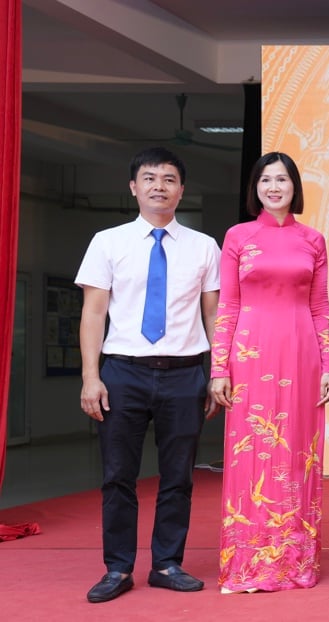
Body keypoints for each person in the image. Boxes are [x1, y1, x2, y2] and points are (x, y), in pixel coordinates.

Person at [76, 147, 221, 603]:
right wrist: (90, 376)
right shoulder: (107, 241)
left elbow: (216, 317)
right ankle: (118, 569)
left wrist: (218, 373)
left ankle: (166, 563)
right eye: (150, 178)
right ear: (133, 187)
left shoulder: (204, 247)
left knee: (178, 476)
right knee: (119, 475)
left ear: (182, 190)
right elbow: (93, 313)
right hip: (123, 374)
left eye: (169, 179)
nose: (159, 186)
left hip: (184, 375)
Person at [208, 152, 329, 593]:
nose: (274, 187)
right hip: (251, 353)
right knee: (251, 455)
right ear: (255, 187)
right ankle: (246, 567)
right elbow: (227, 304)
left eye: (282, 179)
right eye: (266, 180)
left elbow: (320, 306)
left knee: (298, 453)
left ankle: (294, 564)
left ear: (294, 186)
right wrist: (219, 367)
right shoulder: (238, 236)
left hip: (302, 354)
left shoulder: (313, 239)